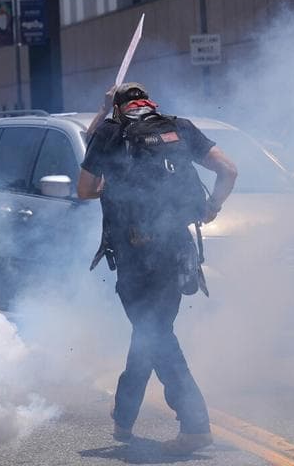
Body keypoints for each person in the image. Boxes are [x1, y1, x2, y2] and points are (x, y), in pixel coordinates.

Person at [76, 83, 237, 455]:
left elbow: (85, 189)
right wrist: (212, 206)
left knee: (155, 334)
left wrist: (104, 118)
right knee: (152, 331)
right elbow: (229, 170)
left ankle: (195, 424)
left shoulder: (110, 131)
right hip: (177, 252)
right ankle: (124, 415)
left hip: (135, 255)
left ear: (116, 108)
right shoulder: (177, 128)